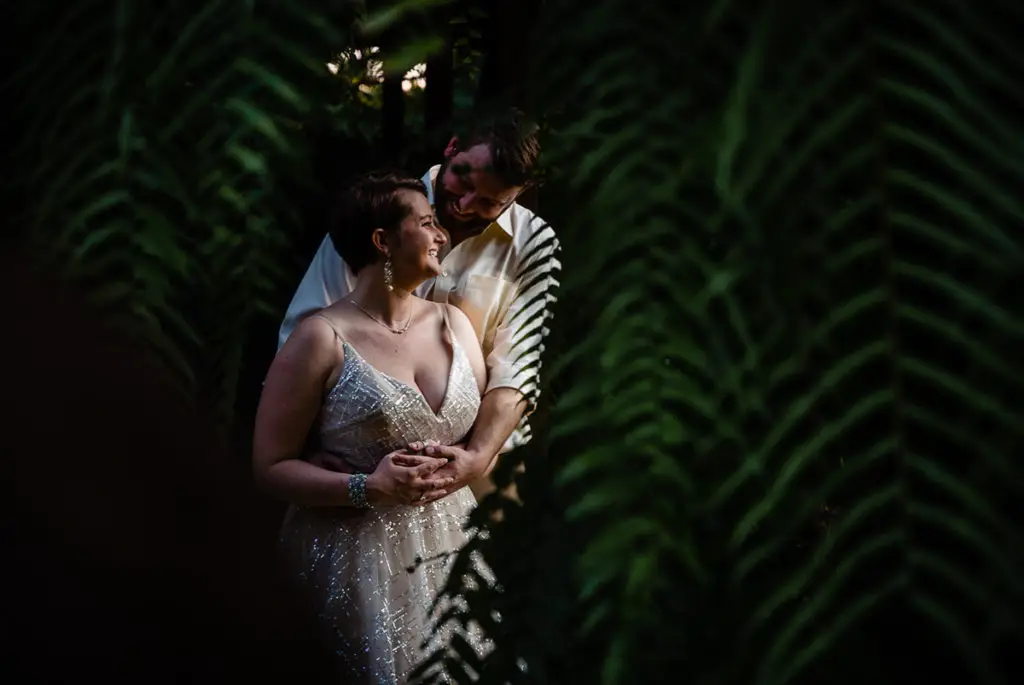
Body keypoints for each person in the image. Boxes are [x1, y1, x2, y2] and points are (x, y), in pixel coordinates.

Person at [252, 171, 489, 683]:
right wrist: (368, 485)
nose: (441, 234)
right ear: (383, 241)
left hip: (453, 550)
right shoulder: (321, 337)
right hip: (351, 557)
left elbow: (478, 432)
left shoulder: (455, 324)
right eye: (427, 223)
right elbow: (268, 467)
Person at [279, 109, 559, 502]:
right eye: (463, 178)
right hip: (355, 461)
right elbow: (305, 332)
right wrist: (313, 450)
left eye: (490, 201)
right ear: (452, 147)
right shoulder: (374, 211)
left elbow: (518, 368)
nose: (464, 204)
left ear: (518, 194)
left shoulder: (534, 245)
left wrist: (476, 458)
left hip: (484, 460)